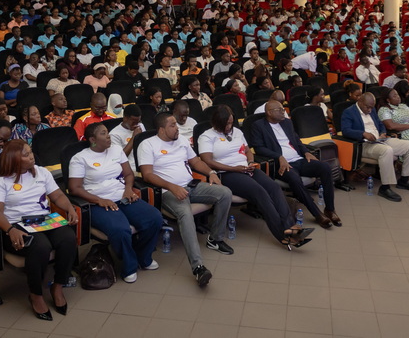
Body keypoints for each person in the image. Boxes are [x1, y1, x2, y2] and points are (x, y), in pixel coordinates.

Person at [138, 112, 234, 287]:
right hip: (167, 191)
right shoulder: (147, 145)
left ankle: (215, 239)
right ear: (161, 129)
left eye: (176, 124)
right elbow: (147, 174)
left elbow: (196, 162)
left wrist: (211, 173)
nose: (177, 128)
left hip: (190, 185)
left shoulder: (181, 140)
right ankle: (198, 267)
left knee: (225, 193)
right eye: (172, 125)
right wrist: (172, 187)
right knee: (185, 212)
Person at [198, 105, 314, 249]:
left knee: (274, 187)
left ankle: (291, 228)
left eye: (231, 122)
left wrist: (251, 162)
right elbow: (207, 161)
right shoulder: (207, 136)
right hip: (227, 173)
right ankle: (283, 235)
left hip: (246, 168)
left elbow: (248, 151)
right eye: (226, 124)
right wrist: (234, 168)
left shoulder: (238, 132)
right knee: (260, 192)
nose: (229, 126)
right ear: (217, 122)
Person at [0, 139, 78, 320]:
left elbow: (58, 195)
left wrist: (69, 208)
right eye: (27, 154)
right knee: (41, 247)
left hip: (43, 220)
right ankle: (35, 295)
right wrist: (10, 230)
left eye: (31, 152)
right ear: (14, 159)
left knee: (68, 238)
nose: (32, 157)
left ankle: (58, 287)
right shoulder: (0, 182)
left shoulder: (42, 172)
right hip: (16, 226)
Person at [69, 122, 163, 283]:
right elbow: (74, 189)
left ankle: (143, 256)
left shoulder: (116, 150)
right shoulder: (80, 158)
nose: (108, 136)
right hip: (97, 202)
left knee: (154, 218)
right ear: (92, 139)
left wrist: (128, 189)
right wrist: (99, 200)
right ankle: (129, 266)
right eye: (103, 134)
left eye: (108, 133)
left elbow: (128, 174)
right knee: (120, 230)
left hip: (122, 195)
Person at [250, 101, 339, 228]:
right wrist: (279, 157)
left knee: (324, 168)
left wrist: (306, 152)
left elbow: (297, 141)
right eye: (279, 109)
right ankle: (316, 213)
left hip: (298, 159)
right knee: (294, 178)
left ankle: (330, 209)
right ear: (269, 112)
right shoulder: (258, 126)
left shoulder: (287, 122)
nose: (283, 111)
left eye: (283, 109)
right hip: (280, 164)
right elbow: (259, 148)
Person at [340, 92, 409, 202]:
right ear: (360, 101)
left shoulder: (372, 110)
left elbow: (380, 124)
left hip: (380, 140)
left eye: (371, 107)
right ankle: (385, 187)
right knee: (387, 151)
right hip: (364, 144)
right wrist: (363, 133)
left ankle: (404, 181)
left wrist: (383, 132)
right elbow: (346, 130)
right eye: (367, 107)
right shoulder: (349, 112)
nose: (369, 110)